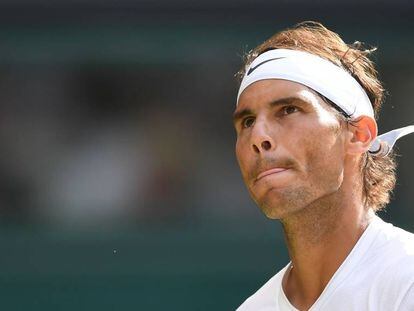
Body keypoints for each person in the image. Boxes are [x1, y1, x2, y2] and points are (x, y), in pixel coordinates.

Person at [233, 21, 414, 311]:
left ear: (358, 135)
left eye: (288, 110)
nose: (259, 137)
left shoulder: (407, 279)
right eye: (247, 121)